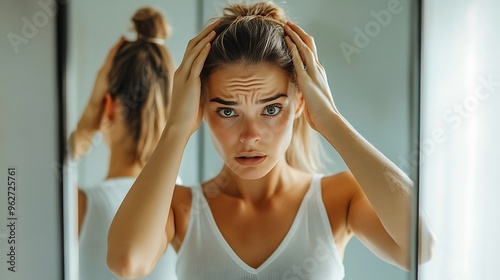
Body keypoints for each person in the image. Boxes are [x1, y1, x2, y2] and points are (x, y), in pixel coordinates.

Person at [107, 2, 434, 279]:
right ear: (201, 108)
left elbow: (420, 246)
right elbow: (127, 262)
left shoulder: (338, 199)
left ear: (300, 102)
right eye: (227, 112)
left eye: (271, 108)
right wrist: (176, 128)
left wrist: (330, 119)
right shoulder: (181, 209)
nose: (250, 136)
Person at [69, 7, 180, 280]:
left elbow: (21, 196)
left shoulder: (79, 207)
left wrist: (84, 128)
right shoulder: (185, 203)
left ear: (107, 107)